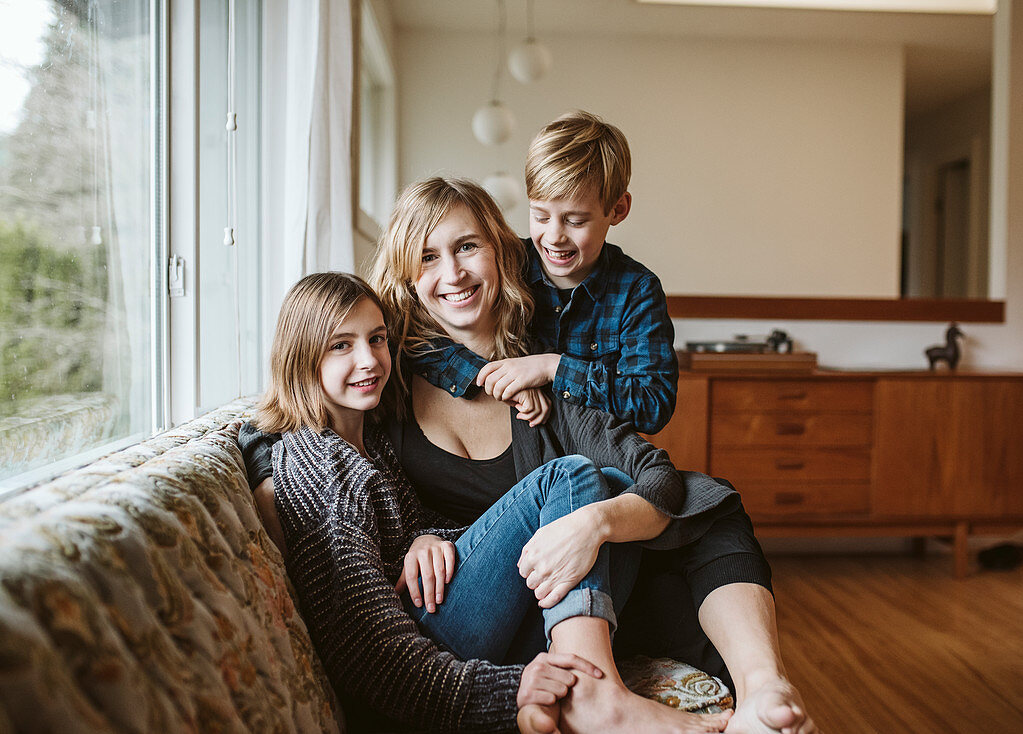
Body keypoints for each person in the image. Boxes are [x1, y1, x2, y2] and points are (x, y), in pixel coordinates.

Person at [244, 179, 818, 734]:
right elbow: (287, 408)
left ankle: (764, 690)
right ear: (408, 280)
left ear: (501, 254)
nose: (453, 273)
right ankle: (597, 695)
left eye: (467, 246)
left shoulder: (539, 381)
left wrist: (592, 522)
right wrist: (274, 473)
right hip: (468, 616)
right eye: (428, 258)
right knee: (572, 480)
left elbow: (656, 476)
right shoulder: (384, 384)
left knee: (703, 503)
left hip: (560, 596)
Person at [408, 110, 677, 435]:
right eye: (540, 216)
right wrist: (501, 380)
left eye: (575, 221)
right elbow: (419, 339)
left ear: (617, 210)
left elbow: (653, 404)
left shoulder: (637, 290)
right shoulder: (506, 265)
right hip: (512, 447)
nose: (554, 236)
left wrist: (552, 368)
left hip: (602, 452)